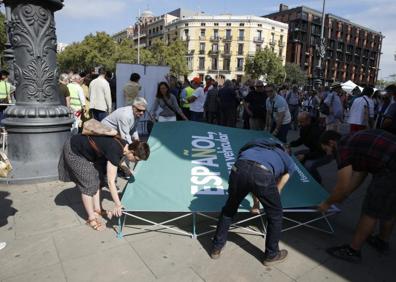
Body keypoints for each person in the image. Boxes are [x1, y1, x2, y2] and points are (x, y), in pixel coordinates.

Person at [210, 139, 295, 266]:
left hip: (239, 167)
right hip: (262, 173)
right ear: (286, 152)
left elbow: (250, 176)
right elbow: (283, 177)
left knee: (229, 210)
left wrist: (256, 204)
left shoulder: (259, 144)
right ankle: (271, 255)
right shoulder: (287, 158)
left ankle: (216, 248)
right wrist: (276, 191)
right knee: (275, 215)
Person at [318, 130, 396, 262]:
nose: (328, 153)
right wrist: (346, 194)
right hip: (391, 160)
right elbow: (361, 172)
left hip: (390, 167)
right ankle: (382, 241)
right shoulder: (353, 141)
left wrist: (327, 203)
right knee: (389, 206)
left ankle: (353, 251)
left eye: (326, 149)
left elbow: (342, 184)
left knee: (371, 210)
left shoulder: (342, 148)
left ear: (331, 143)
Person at [58, 134, 150, 231]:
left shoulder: (125, 145)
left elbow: (120, 160)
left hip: (83, 148)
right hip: (73, 150)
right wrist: (118, 204)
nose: (135, 162)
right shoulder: (115, 150)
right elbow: (111, 182)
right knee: (89, 183)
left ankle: (97, 210)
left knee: (98, 178)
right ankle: (91, 219)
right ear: (132, 152)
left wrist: (128, 170)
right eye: (136, 159)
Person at [289, 112, 330, 184]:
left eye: (301, 122)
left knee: (309, 165)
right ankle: (304, 177)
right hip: (314, 150)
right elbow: (301, 139)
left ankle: (317, 184)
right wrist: (290, 144)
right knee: (295, 155)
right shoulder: (304, 127)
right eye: (299, 122)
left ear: (308, 120)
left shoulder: (317, 131)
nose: (299, 124)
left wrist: (305, 156)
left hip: (325, 153)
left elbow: (320, 151)